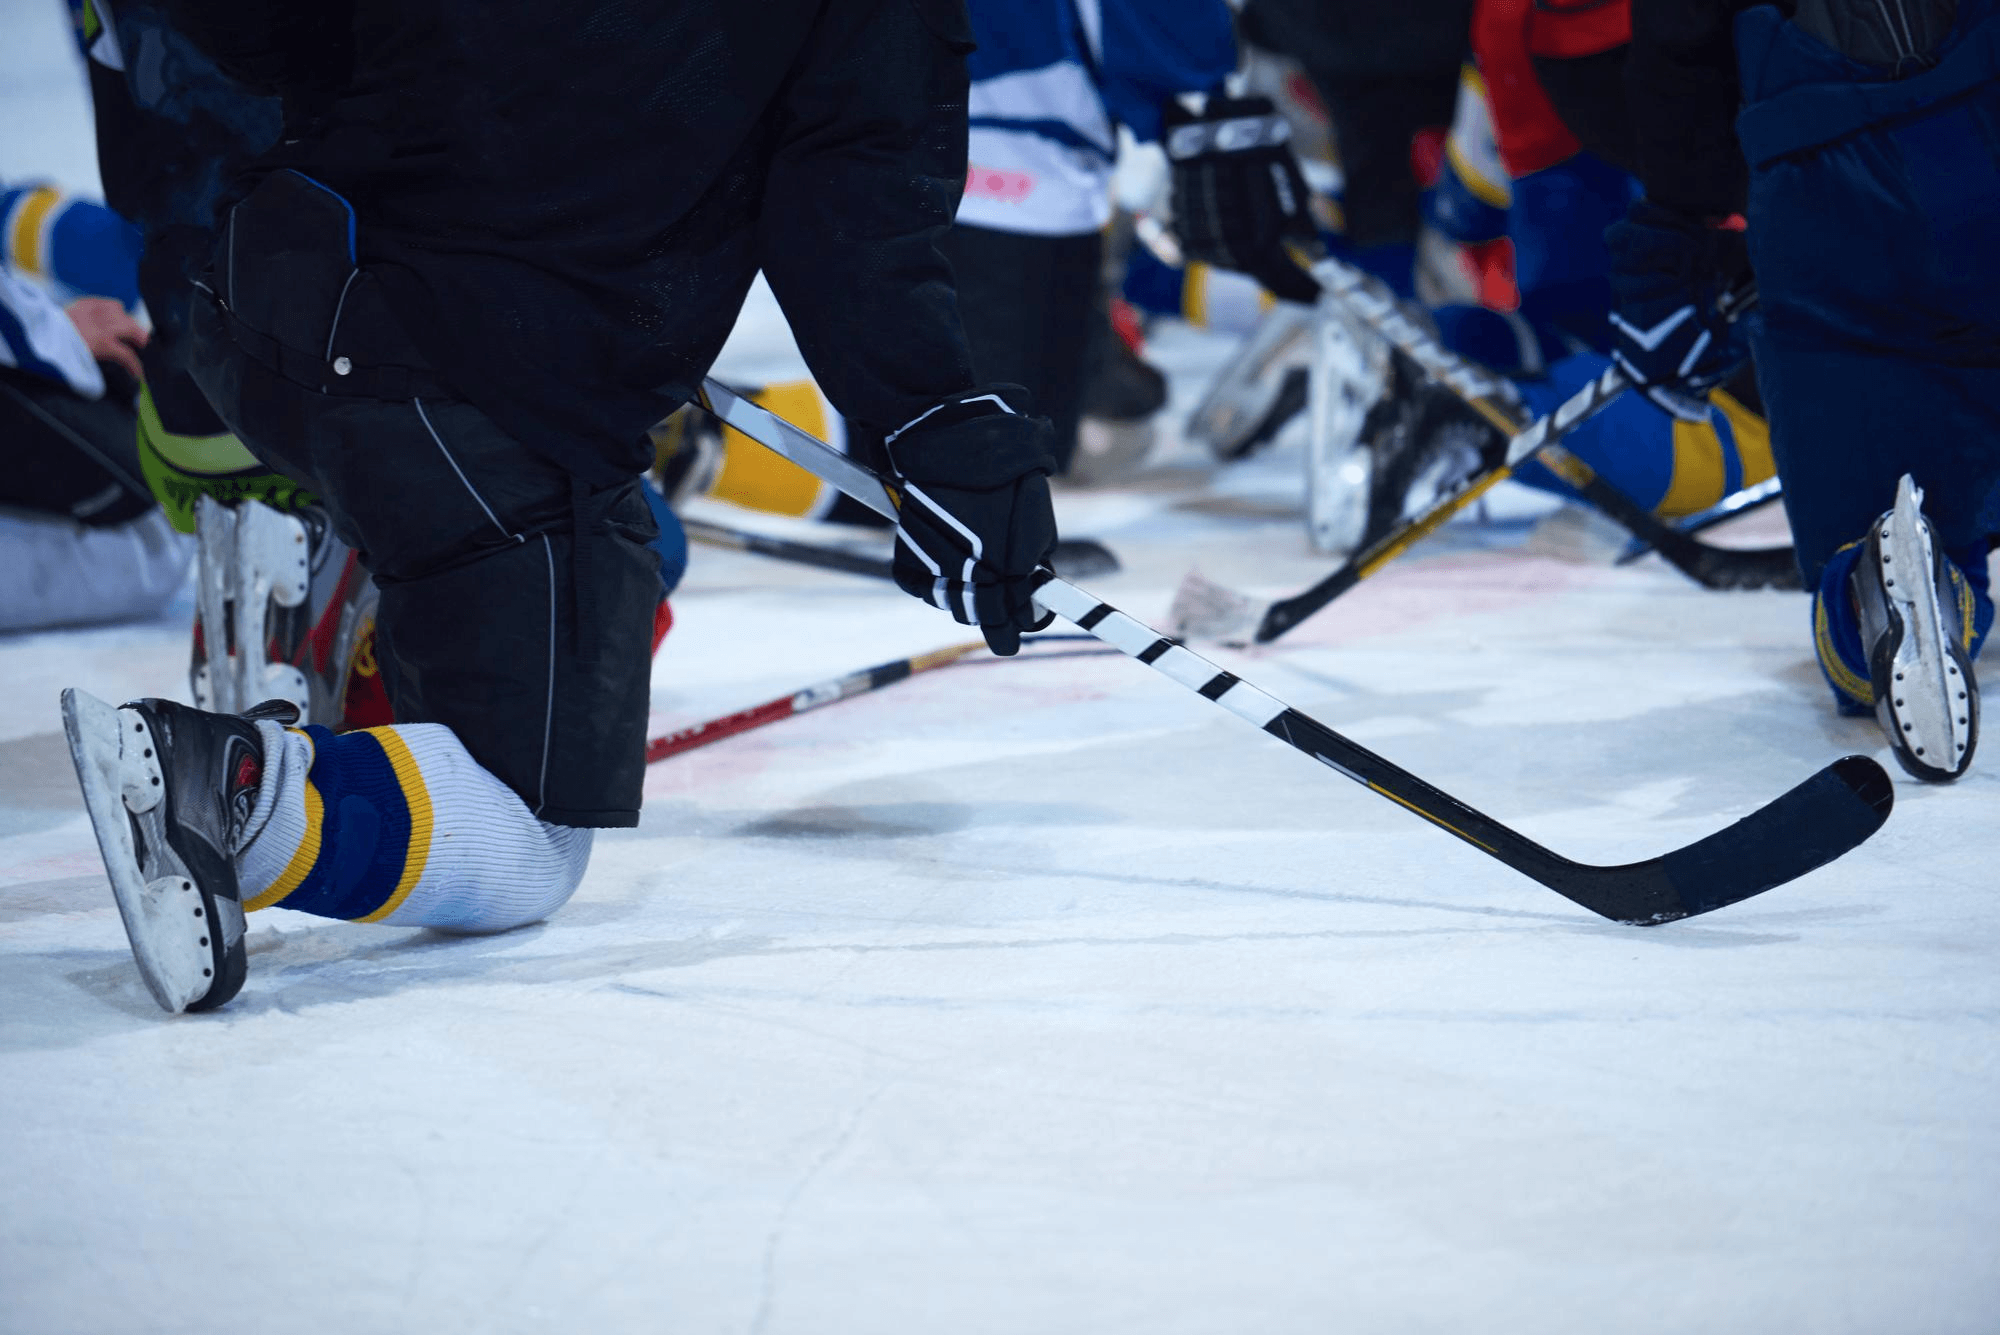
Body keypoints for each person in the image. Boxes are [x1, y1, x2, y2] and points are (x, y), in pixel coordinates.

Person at [62, 0, 1061, 1015]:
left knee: (617, 563)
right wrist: (946, 431)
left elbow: (261, 43)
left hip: (263, 303)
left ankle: (379, 627)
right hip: (465, 386)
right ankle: (228, 788)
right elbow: (855, 217)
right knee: (528, 825)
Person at [1608, 0, 1999, 779]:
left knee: (1879, 520)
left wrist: (1674, 239)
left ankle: (1888, 587)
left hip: (1827, 177)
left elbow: (1678, 38)